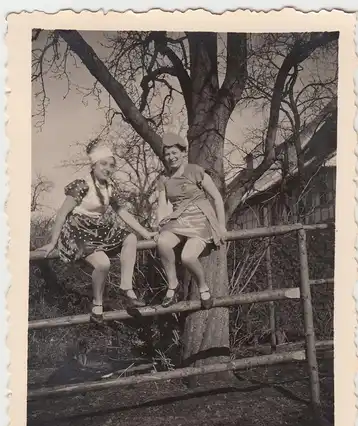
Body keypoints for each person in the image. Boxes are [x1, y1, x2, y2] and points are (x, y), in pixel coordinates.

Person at [36, 141, 156, 324]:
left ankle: (126, 288)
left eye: (111, 165)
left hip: (97, 229)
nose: (108, 169)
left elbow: (122, 212)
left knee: (130, 238)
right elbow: (62, 214)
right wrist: (53, 242)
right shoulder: (82, 185)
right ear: (94, 165)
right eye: (103, 164)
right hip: (76, 230)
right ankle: (97, 303)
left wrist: (145, 233)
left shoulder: (109, 187)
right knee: (103, 264)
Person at [156, 132, 227, 309]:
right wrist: (159, 226)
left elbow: (217, 198)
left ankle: (203, 287)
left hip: (200, 219)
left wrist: (222, 226)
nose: (171, 157)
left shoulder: (194, 171)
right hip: (179, 219)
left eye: (174, 153)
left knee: (187, 257)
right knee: (162, 242)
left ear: (182, 153)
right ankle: (172, 285)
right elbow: (162, 206)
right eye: (167, 154)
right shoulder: (163, 179)